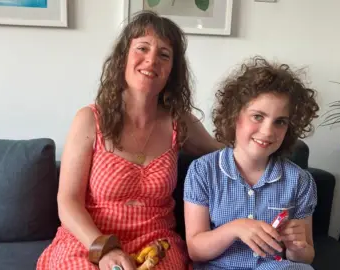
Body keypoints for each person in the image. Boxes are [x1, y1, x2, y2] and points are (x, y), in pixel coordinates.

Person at [36, 11, 223, 270]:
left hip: (156, 245)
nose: (151, 60)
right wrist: (104, 249)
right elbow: (68, 202)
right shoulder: (90, 119)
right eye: (142, 48)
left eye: (164, 55)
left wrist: (263, 135)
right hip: (90, 240)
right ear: (123, 57)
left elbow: (227, 154)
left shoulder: (180, 123)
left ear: (172, 70)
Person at [183, 56, 320, 270]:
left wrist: (297, 246)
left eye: (280, 122)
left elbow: (305, 257)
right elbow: (195, 250)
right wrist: (235, 228)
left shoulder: (299, 181)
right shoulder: (203, 171)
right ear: (234, 116)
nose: (267, 131)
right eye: (258, 116)